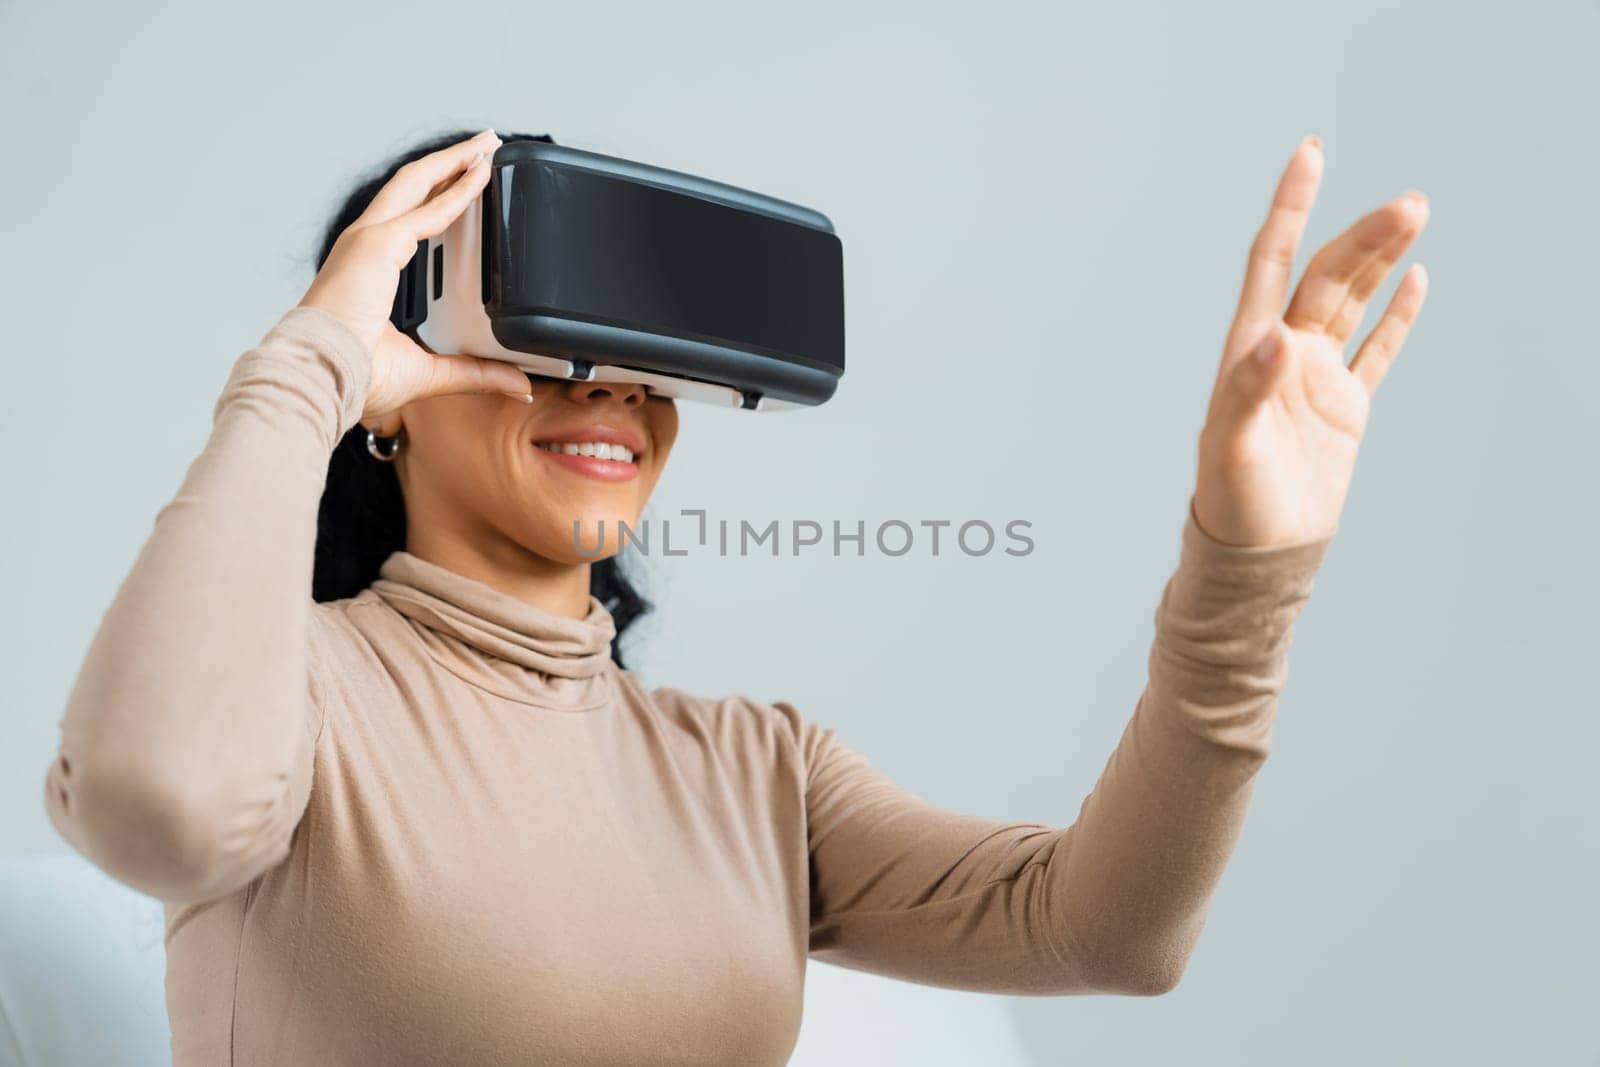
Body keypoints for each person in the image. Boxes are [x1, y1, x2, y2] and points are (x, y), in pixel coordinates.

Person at [43, 126, 1428, 1065]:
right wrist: (307, 369)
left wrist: (1247, 567)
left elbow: (1106, 931)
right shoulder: (284, 699)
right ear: (398, 377)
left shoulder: (758, 770)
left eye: (649, 356)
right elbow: (150, 802)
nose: (615, 390)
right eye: (548, 336)